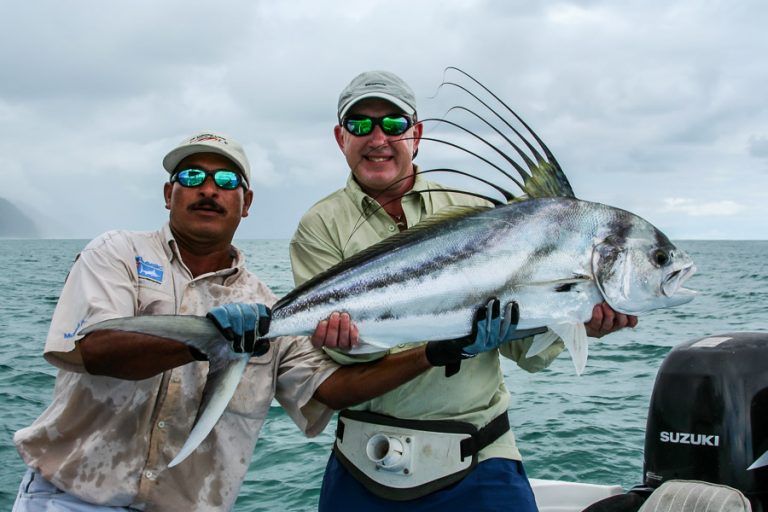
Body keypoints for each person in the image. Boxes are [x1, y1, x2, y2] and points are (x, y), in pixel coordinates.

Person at [11, 131, 513, 512]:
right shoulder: (116, 253)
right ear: (168, 194)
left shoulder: (268, 310)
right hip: (67, 498)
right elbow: (98, 351)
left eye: (226, 181)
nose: (209, 190)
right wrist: (205, 340)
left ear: (246, 204)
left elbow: (332, 389)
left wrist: (435, 351)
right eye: (192, 178)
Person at [289, 71, 639, 511]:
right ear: (341, 138)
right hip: (364, 462)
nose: (377, 137)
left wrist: (574, 319)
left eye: (393, 124)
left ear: (416, 134)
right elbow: (342, 357)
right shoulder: (319, 225)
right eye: (360, 125)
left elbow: (526, 354)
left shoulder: (471, 212)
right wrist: (345, 344)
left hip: (480, 457)